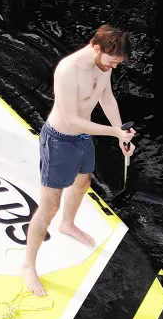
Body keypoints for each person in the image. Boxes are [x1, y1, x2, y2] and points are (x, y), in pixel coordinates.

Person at [19, 25, 136, 297]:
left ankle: (67, 224)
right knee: (49, 205)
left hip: (83, 137)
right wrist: (113, 132)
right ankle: (28, 264)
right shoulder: (68, 70)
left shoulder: (103, 68)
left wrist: (121, 135)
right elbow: (71, 119)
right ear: (97, 48)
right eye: (112, 61)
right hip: (59, 139)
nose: (114, 67)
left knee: (83, 182)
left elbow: (106, 97)